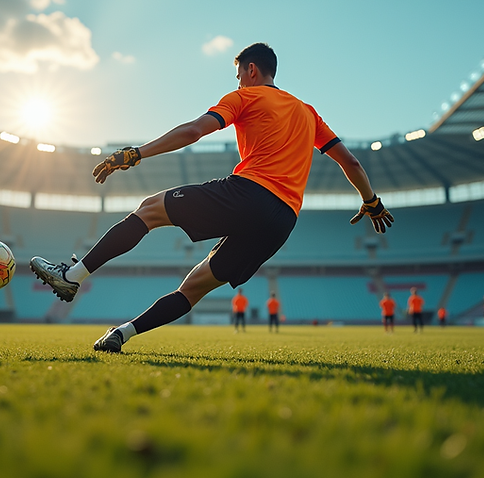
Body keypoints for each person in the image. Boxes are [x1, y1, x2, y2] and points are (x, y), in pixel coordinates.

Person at [29, 43, 393, 352]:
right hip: (283, 221)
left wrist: (137, 153)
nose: (237, 81)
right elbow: (351, 161)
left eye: (237, 74)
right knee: (194, 288)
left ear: (250, 70)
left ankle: (72, 275)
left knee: (150, 209)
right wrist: (371, 200)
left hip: (250, 193)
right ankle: (122, 334)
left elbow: (194, 130)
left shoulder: (244, 96)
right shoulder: (308, 113)